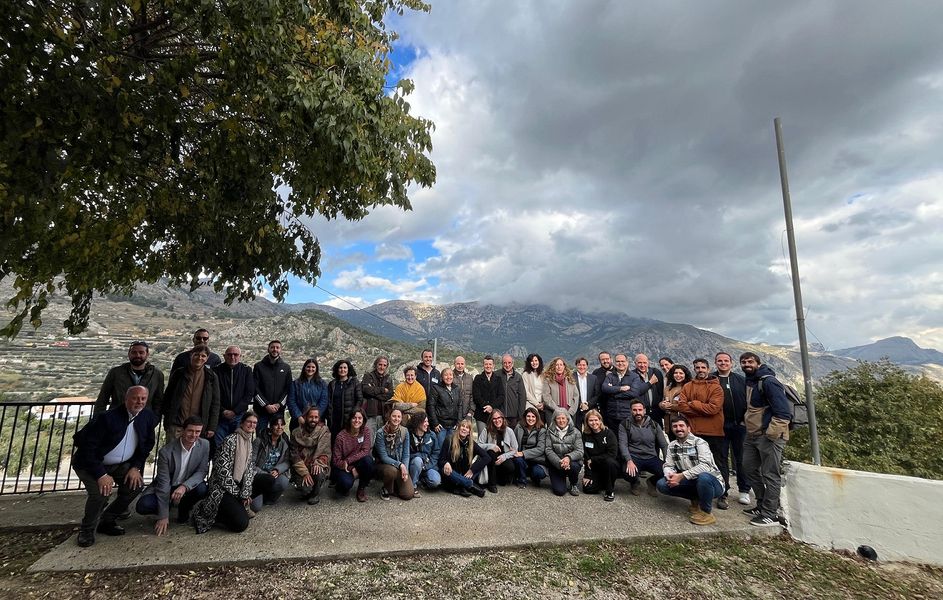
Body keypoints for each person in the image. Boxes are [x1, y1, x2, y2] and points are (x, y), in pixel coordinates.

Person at [71, 386, 159, 547]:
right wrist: (100, 475)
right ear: (126, 399)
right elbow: (87, 447)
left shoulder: (147, 417)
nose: (139, 402)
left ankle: (108, 519)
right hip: (90, 464)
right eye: (135, 398)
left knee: (135, 486)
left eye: (143, 399)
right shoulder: (107, 418)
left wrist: (135, 467)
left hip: (119, 465)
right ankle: (87, 530)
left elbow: (147, 444)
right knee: (100, 493)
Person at [740, 351, 791, 528]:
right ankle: (761, 505)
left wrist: (771, 434)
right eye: (744, 362)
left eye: (750, 362)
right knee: (749, 468)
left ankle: (771, 514)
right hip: (752, 434)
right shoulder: (751, 381)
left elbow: (784, 412)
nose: (746, 365)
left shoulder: (768, 381)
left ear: (758, 363)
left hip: (769, 436)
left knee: (770, 474)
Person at [135, 415, 210, 536]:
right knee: (143, 506)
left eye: (197, 432)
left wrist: (185, 486)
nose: (194, 435)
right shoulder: (166, 452)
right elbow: (163, 484)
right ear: (183, 430)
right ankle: (167, 506)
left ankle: (183, 509)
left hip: (186, 485)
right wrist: (163, 515)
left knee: (202, 489)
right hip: (169, 486)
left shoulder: (204, 445)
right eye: (190, 431)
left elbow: (201, 472)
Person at [191, 412, 257, 534]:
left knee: (265, 482)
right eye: (249, 421)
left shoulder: (248, 443)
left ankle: (231, 508)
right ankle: (205, 509)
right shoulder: (230, 441)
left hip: (236, 486)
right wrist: (239, 494)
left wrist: (246, 492)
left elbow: (248, 470)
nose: (252, 425)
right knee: (241, 524)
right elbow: (222, 472)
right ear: (242, 423)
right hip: (221, 488)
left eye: (254, 423)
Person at [656, 415, 725, 526]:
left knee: (703, 477)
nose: (678, 429)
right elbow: (668, 464)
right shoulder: (672, 446)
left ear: (689, 428)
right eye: (675, 426)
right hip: (692, 481)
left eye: (681, 426)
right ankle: (695, 498)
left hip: (713, 483)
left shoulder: (699, 443)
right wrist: (670, 475)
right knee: (662, 484)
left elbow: (706, 466)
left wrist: (681, 476)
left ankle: (706, 512)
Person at [677, 358, 725, 508]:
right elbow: (681, 406)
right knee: (693, 463)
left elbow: (713, 409)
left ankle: (723, 494)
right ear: (694, 369)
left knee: (717, 463)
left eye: (703, 367)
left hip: (713, 432)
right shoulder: (688, 386)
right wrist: (700, 408)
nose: (700, 370)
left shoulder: (716, 388)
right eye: (697, 367)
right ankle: (696, 495)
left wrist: (694, 404)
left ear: (708, 369)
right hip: (694, 431)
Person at [160, 344, 221, 443]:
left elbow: (215, 403)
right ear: (191, 355)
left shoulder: (211, 377)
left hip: (197, 428)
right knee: (172, 456)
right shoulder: (179, 374)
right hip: (176, 425)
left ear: (207, 358)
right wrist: (168, 421)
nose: (199, 358)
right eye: (196, 355)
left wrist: (212, 427)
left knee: (193, 457)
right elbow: (168, 397)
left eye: (203, 356)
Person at [713, 351, 751, 506]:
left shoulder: (741, 380)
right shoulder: (711, 379)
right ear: (715, 363)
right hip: (719, 426)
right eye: (720, 361)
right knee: (721, 459)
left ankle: (744, 490)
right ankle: (723, 491)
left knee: (741, 459)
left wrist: (744, 420)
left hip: (739, 425)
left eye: (726, 360)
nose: (723, 363)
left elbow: (750, 402)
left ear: (731, 363)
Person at [94, 340, 165, 414]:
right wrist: (99, 420)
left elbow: (158, 401)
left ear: (147, 354)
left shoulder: (157, 375)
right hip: (117, 418)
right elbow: (102, 398)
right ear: (129, 354)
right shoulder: (116, 373)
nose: (137, 355)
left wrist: (154, 419)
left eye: (141, 352)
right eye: (134, 352)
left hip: (144, 421)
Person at [618, 400, 668, 496]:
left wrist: (667, 462)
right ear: (630, 411)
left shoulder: (654, 425)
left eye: (640, 410)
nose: (638, 412)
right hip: (634, 457)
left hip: (651, 457)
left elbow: (664, 445)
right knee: (627, 472)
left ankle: (652, 482)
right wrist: (629, 461)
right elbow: (623, 445)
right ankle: (635, 482)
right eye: (635, 410)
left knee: (667, 472)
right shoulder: (624, 425)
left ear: (644, 411)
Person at [213, 346, 255, 448]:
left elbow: (249, 393)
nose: (232, 357)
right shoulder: (216, 371)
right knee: (219, 447)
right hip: (220, 417)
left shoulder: (246, 370)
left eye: (235, 355)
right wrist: (223, 411)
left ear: (240, 356)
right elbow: (213, 394)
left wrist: (235, 411)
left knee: (238, 447)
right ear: (224, 356)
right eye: (229, 354)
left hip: (239, 417)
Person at [289, 406, 331, 505]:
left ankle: (315, 494)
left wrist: (318, 462)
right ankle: (307, 489)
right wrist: (305, 472)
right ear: (306, 417)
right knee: (305, 490)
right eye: (311, 417)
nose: (313, 420)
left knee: (318, 472)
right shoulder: (296, 433)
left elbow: (325, 451)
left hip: (316, 464)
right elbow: (294, 455)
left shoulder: (324, 431)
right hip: (302, 467)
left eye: (316, 417)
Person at [331, 408, 375, 502]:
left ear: (363, 420)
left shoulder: (366, 431)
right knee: (344, 485)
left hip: (358, 462)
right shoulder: (341, 436)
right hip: (345, 467)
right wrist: (351, 467)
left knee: (369, 461)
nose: (357, 421)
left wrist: (349, 461)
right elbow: (336, 460)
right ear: (350, 419)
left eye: (360, 418)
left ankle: (361, 489)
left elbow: (365, 451)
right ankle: (340, 486)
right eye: (354, 418)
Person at [249, 416, 291, 513]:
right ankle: (260, 495)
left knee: (283, 481)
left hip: (273, 475)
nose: (279, 427)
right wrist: (265, 474)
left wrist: (277, 470)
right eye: (276, 424)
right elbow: (250, 463)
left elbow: (287, 461)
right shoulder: (259, 441)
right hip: (259, 476)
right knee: (256, 507)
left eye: (282, 424)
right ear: (271, 426)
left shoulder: (284, 442)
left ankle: (269, 498)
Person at [438, 418, 489, 498]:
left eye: (467, 427)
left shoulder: (471, 443)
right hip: (451, 474)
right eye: (462, 426)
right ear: (459, 428)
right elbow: (441, 460)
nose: (464, 429)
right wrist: (445, 463)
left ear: (469, 431)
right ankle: (469, 484)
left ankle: (463, 486)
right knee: (447, 471)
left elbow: (487, 457)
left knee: (480, 463)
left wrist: (473, 470)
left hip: (465, 474)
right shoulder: (449, 440)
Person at [601, 354, 651, 433]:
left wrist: (613, 393)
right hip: (612, 416)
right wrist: (620, 388)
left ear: (627, 363)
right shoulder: (610, 376)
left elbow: (634, 393)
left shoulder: (634, 376)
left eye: (622, 361)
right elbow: (604, 388)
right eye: (618, 361)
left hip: (627, 415)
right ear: (614, 363)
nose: (620, 363)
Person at [477, 409, 523, 492]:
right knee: (491, 452)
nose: (497, 420)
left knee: (510, 467)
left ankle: (499, 477)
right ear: (491, 420)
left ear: (503, 418)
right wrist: (490, 446)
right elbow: (479, 445)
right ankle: (492, 484)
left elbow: (515, 448)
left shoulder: (509, 431)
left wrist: (504, 456)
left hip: (503, 457)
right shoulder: (486, 430)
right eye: (494, 418)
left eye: (499, 418)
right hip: (491, 458)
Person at [580, 409, 620, 501]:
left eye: (596, 420)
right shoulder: (585, 435)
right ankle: (604, 483)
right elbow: (586, 457)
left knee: (609, 462)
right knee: (588, 488)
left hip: (608, 466)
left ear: (600, 420)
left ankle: (610, 490)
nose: (594, 423)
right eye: (591, 420)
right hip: (594, 468)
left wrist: (594, 459)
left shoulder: (608, 433)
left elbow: (612, 454)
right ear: (587, 422)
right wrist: (588, 475)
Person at [253, 340, 292, 432]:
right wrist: (266, 405)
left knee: (277, 436)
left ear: (281, 350)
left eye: (277, 347)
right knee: (261, 436)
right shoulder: (258, 366)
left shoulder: (286, 368)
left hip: (278, 411)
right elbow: (254, 388)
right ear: (268, 349)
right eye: (272, 347)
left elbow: (288, 389)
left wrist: (278, 405)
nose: (275, 349)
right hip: (262, 411)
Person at [375, 408, 414, 501]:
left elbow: (406, 453)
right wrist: (400, 465)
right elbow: (383, 457)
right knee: (392, 471)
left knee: (408, 495)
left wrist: (405, 468)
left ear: (401, 419)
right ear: (389, 417)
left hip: (400, 465)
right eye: (394, 416)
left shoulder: (405, 431)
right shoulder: (380, 433)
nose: (396, 419)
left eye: (399, 416)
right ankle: (386, 488)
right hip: (385, 465)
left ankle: (396, 486)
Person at [545, 410, 584, 497]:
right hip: (556, 463)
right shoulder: (549, 431)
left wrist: (568, 458)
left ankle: (573, 484)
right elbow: (548, 450)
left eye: (563, 418)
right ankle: (561, 477)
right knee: (560, 491)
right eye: (558, 418)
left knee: (574, 466)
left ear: (568, 419)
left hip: (571, 462)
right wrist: (559, 462)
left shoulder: (576, 432)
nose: (561, 421)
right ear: (554, 420)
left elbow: (580, 451)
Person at [287, 358, 328, 431]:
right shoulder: (296, 384)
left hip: (316, 422)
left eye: (313, 367)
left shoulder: (322, 384)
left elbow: (324, 401)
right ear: (304, 368)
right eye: (308, 367)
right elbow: (291, 401)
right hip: (298, 421)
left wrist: (315, 417)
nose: (310, 369)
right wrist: (298, 416)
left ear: (316, 369)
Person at [325, 359, 363, 437]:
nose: (342, 370)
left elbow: (359, 399)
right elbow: (328, 401)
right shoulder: (332, 384)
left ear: (348, 369)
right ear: (337, 369)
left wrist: (354, 414)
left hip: (349, 419)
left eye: (345, 368)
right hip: (334, 420)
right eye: (340, 368)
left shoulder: (354, 383)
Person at [541, 357, 583, 426]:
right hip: (552, 413)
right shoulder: (548, 380)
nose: (559, 367)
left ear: (564, 366)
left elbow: (576, 396)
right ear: (553, 367)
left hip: (569, 413)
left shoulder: (570, 379)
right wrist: (558, 411)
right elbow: (546, 397)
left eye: (561, 365)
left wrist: (570, 412)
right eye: (556, 365)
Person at [407, 410, 441, 495]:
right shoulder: (409, 435)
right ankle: (413, 486)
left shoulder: (431, 435)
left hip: (427, 466)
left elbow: (436, 453)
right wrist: (420, 457)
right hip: (413, 465)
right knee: (418, 460)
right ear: (418, 422)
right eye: (425, 421)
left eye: (427, 421)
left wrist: (427, 466)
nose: (427, 424)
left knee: (435, 481)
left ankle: (422, 479)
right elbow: (406, 454)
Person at [428, 367, 463, 448]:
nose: (448, 377)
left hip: (453, 425)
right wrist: (435, 423)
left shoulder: (457, 389)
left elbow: (460, 406)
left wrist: (459, 422)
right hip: (440, 425)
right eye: (446, 375)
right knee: (440, 449)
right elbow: (431, 406)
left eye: (450, 375)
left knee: (452, 449)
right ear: (442, 377)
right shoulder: (436, 388)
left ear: (453, 376)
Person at [514, 407, 548, 487]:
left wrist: (523, 453)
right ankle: (522, 480)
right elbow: (514, 442)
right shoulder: (518, 428)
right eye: (528, 416)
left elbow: (540, 449)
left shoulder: (542, 430)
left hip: (536, 459)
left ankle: (534, 477)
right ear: (525, 417)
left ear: (537, 418)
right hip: (521, 458)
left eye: (533, 417)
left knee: (539, 473)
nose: (530, 419)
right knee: (518, 460)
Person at [361, 355, 394, 435]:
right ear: (376, 364)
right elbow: (365, 390)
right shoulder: (368, 376)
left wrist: (373, 392)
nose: (382, 367)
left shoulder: (388, 378)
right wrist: (382, 390)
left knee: (381, 441)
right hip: (370, 414)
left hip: (384, 415)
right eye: (380, 364)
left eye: (384, 365)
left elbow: (389, 394)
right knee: (369, 441)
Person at [472, 355, 504, 436]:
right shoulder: (478, 378)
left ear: (493, 366)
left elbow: (501, 396)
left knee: (494, 438)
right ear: (483, 365)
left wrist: (492, 407)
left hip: (495, 415)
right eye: (486, 364)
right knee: (482, 439)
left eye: (490, 364)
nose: (488, 366)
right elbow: (476, 396)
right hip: (481, 414)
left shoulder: (498, 379)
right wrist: (486, 406)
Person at [659, 364, 693, 438]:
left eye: (681, 373)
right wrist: (662, 405)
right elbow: (662, 401)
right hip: (669, 423)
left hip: (683, 423)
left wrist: (670, 406)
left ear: (685, 375)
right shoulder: (667, 388)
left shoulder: (689, 388)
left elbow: (689, 405)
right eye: (675, 373)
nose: (678, 375)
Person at [634, 354, 664, 419]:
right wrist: (650, 382)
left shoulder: (656, 372)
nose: (642, 365)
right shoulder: (632, 375)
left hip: (656, 411)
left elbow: (661, 391)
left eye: (645, 362)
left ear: (648, 363)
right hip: (640, 412)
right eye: (639, 363)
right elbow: (637, 391)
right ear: (635, 363)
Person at [500, 354, 527, 429]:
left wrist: (521, 415)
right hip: (500, 415)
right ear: (502, 364)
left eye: (509, 363)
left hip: (514, 416)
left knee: (513, 438)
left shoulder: (518, 377)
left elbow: (522, 397)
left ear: (513, 363)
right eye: (505, 363)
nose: (507, 365)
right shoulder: (497, 375)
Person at [452, 356, 476, 423]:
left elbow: (472, 396)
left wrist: (471, 412)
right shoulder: (450, 376)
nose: (460, 366)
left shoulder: (470, 378)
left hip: (467, 415)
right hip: (453, 415)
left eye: (462, 364)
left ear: (465, 365)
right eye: (458, 364)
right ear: (454, 364)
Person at [592, 351, 614, 419]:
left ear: (611, 359)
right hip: (602, 407)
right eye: (602, 359)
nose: (605, 361)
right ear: (600, 361)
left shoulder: (617, 371)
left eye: (607, 359)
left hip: (615, 406)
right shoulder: (596, 373)